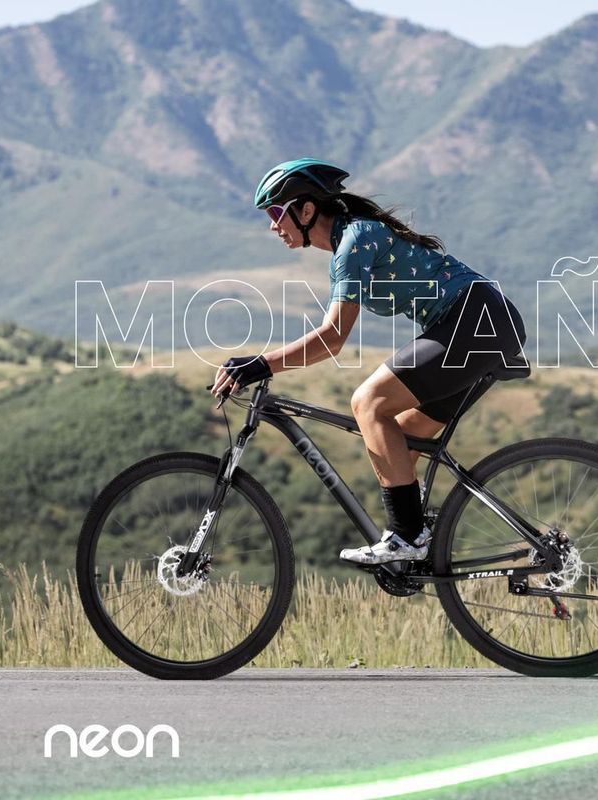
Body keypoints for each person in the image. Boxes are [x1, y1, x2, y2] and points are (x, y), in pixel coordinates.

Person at [210, 158, 527, 565]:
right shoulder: (351, 240)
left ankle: (409, 537)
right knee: (399, 442)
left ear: (306, 210)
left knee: (369, 402)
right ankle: (418, 538)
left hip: (476, 321)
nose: (273, 226)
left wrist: (260, 364)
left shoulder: (355, 240)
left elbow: (331, 338)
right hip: (479, 323)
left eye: (275, 213)